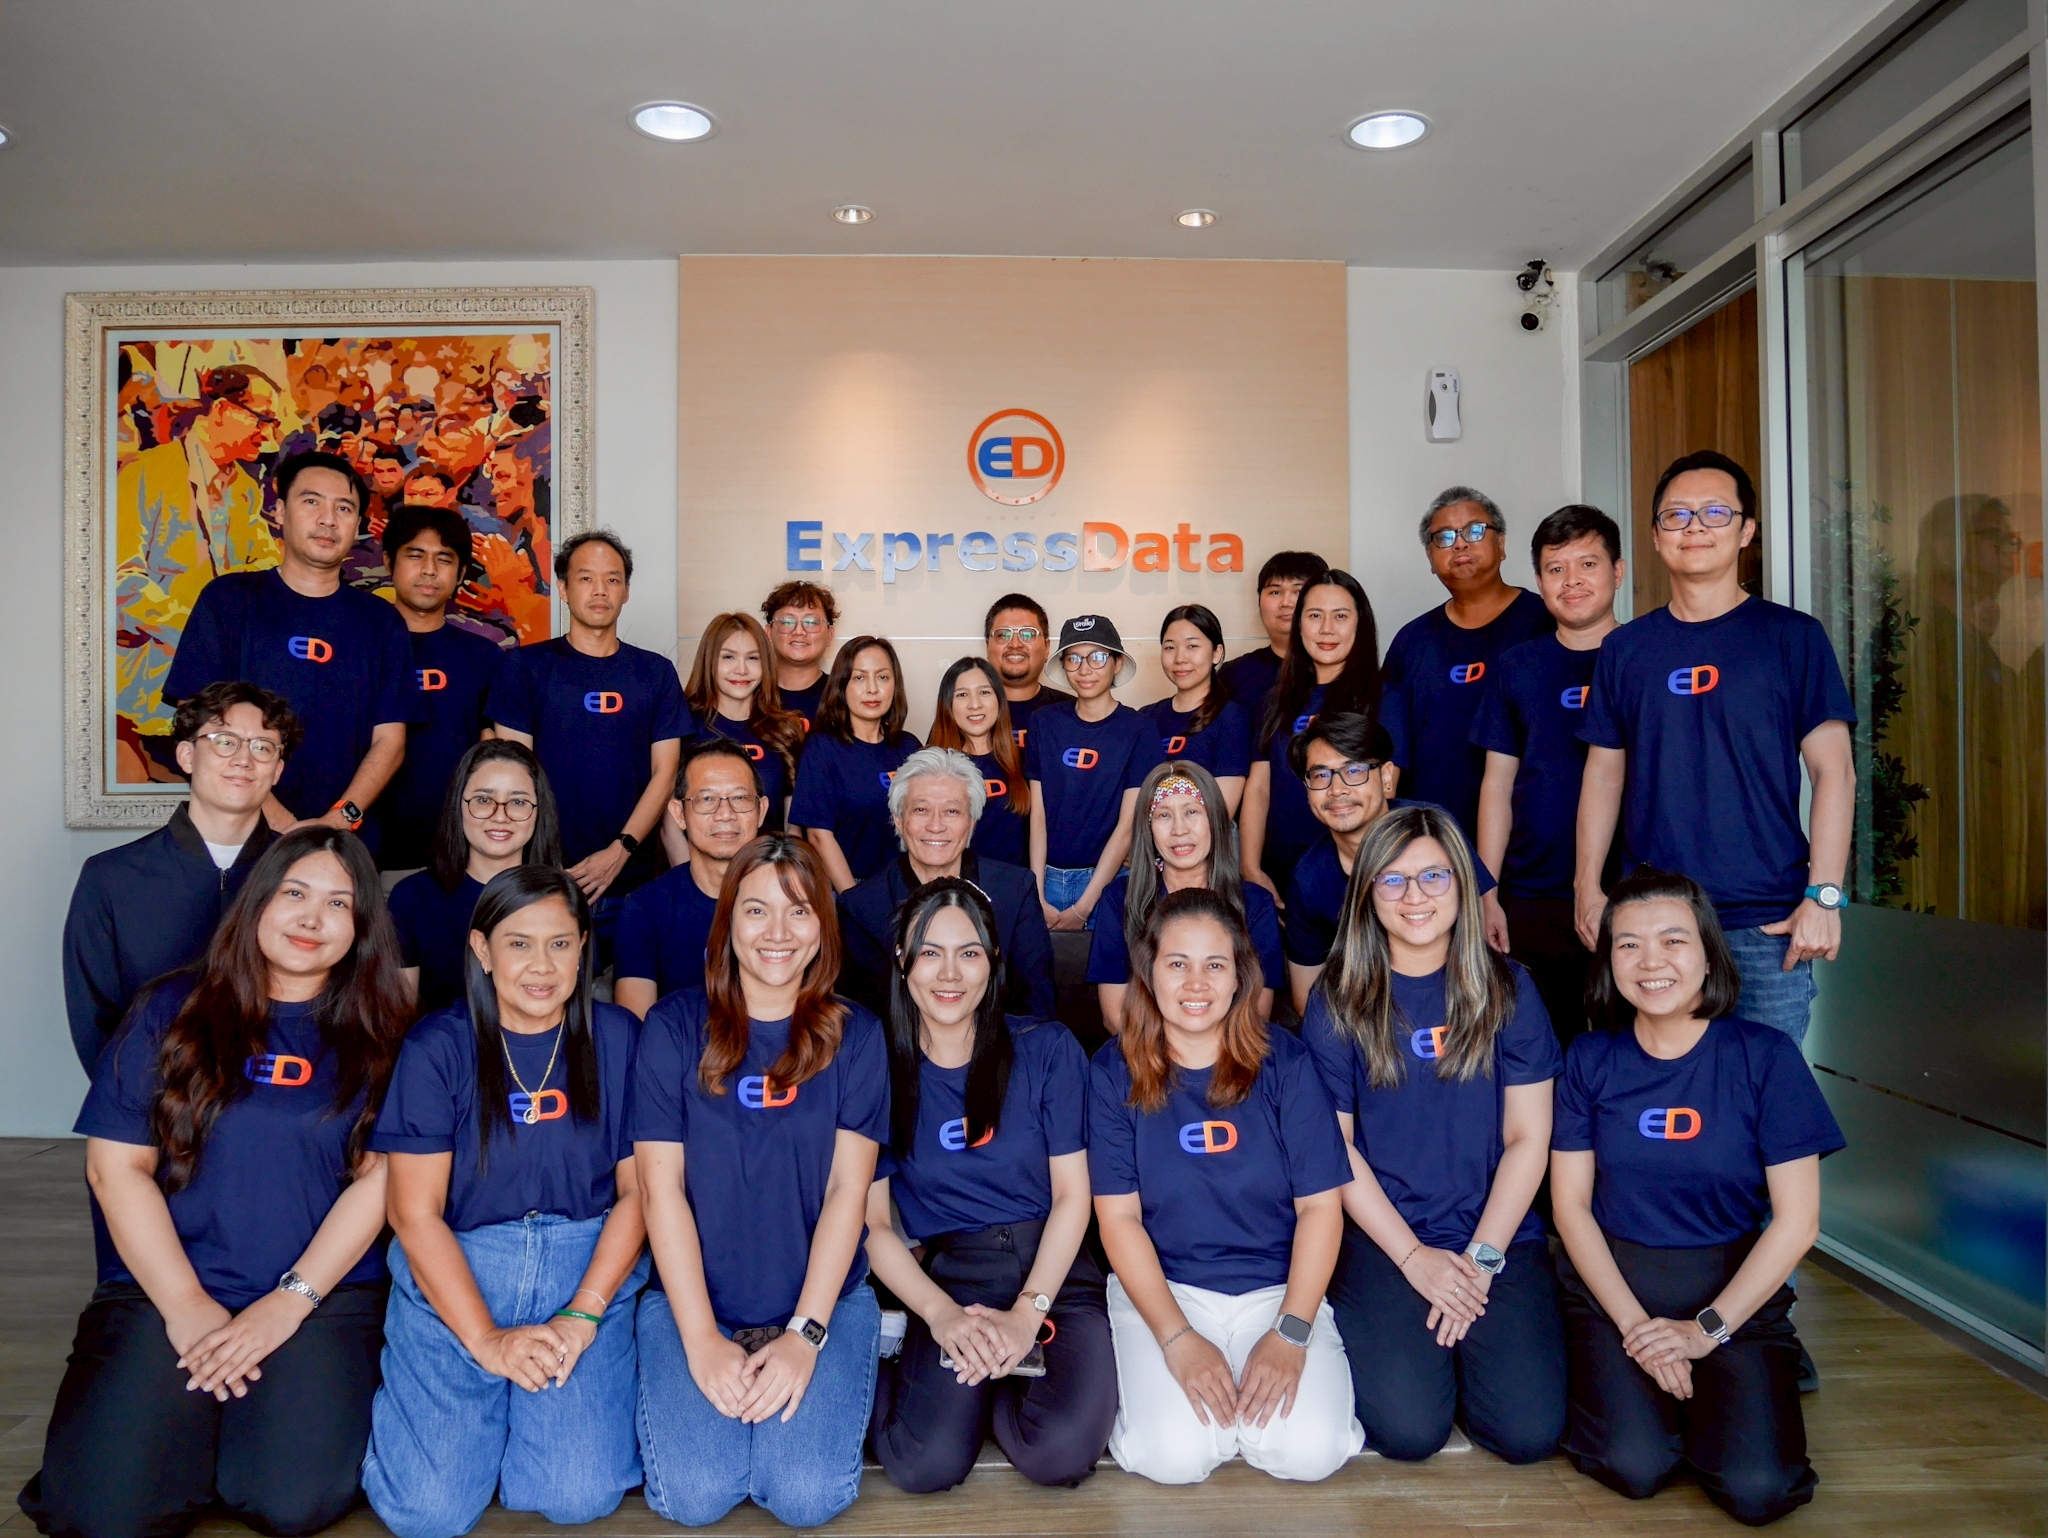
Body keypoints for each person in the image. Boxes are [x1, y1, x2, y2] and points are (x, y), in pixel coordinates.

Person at [23, 829, 411, 1538]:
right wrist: (187, 1306)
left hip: (319, 1298)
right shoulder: (168, 1009)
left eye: (338, 903)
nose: (312, 918)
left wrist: (287, 1305)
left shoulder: (384, 1030)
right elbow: (115, 1169)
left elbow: (379, 1181)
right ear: (258, 900)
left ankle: (217, 1431)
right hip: (164, 1287)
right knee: (103, 1512)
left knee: (288, 1501)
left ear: (361, 927)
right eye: (295, 893)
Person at [1551, 867, 1844, 1526]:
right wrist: (1640, 1332)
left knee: (1759, 1490)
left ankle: (1709, 1409)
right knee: (1634, 1464)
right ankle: (1665, 1411)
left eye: (1673, 940)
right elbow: (1570, 1207)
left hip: (1732, 1292)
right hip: (1616, 1289)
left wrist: (1704, 1332)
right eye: (1628, 944)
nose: (1650, 961)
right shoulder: (1589, 1059)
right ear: (1610, 961)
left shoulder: (1765, 1057)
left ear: (1710, 956)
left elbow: (1797, 1223)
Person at [362, 868, 649, 1537]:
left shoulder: (619, 1038)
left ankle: (520, 1424)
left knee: (578, 1495)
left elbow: (641, 1193)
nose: (541, 966)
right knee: (426, 1514)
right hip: (462, 1266)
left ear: (583, 948)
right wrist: (486, 1340)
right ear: (482, 950)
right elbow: (413, 1214)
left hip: (584, 1267)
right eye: (519, 944)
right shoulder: (437, 1045)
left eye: (560, 944)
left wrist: (582, 1314)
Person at [630, 835, 888, 1529]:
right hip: (695, 1305)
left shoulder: (857, 1036)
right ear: (727, 923)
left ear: (823, 928)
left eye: (799, 911)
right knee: (695, 1496)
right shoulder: (673, 1027)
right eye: (756, 910)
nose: (778, 932)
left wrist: (805, 1335)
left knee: (805, 1495)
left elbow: (848, 1194)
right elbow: (661, 1193)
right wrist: (700, 1338)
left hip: (822, 1305)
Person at [1302, 804, 1566, 1465]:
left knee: (1527, 1434)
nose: (1414, 896)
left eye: (1433, 876)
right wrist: (1415, 1258)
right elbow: (1335, 1149)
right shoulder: (1336, 998)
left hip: (1497, 1236)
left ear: (1461, 886)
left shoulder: (1510, 989)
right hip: (1387, 1238)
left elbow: (1528, 1138)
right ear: (1367, 893)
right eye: (1392, 880)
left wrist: (1480, 1261)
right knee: (1410, 1431)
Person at [1576, 451, 1856, 1043]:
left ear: (1746, 530)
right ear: (1656, 536)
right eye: (1676, 515)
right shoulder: (1626, 649)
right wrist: (1587, 887)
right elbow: (1603, 775)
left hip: (1767, 923)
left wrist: (1824, 896)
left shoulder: (1792, 638)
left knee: (1764, 1091)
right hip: (1653, 920)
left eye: (1715, 512)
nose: (1695, 527)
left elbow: (1834, 773)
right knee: (1659, 1087)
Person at [1090, 888, 1363, 1485]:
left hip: (1276, 1288)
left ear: (1240, 975)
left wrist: (1291, 1331)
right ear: (1148, 972)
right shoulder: (1113, 1070)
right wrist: (1177, 1339)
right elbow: (1118, 1220)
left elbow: (1321, 1208)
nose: (1196, 983)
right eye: (1177, 963)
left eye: (1215, 964)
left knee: (1312, 1451)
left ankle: (1247, 1412)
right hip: (1168, 1291)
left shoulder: (1286, 1063)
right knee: (1174, 1456)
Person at [865, 880, 1116, 1492]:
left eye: (969, 953)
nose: (949, 973)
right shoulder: (877, 1068)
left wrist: (1027, 1316)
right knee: (923, 1463)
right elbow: (870, 1224)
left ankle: (997, 1385)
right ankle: (900, 1360)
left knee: (1058, 1454)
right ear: (902, 959)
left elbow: (1072, 1198)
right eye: (930, 952)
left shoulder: (1046, 1049)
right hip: (954, 1279)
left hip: (1054, 1273)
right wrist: (941, 1315)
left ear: (994, 959)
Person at [162, 450, 419, 838]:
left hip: (347, 842)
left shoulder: (382, 622)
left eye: (344, 508)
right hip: (239, 837)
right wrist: (280, 822)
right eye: (311, 501)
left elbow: (390, 742)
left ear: (357, 525)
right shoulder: (228, 600)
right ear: (279, 512)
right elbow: (196, 719)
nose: (328, 519)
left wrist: (340, 819)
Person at [63, 682, 296, 1074]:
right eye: (225, 742)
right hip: (150, 1099)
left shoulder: (305, 876)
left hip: (282, 1098)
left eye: (262, 747)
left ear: (277, 770)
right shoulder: (110, 878)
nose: (243, 759)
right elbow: (96, 1025)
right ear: (187, 756)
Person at [1472, 504, 1625, 1048]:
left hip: (1631, 889)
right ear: (1539, 582)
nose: (1572, 580)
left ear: (1618, 571)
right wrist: (1487, 891)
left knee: (1633, 1051)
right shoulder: (1517, 667)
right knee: (1542, 1052)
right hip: (1531, 894)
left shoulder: (1644, 657)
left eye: (1588, 564)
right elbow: (1497, 784)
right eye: (1556, 569)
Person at [488, 531, 692, 921]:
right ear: (563, 588)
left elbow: (665, 774)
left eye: (612, 579)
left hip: (634, 882)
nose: (600, 590)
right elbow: (514, 775)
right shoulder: (525, 667)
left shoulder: (656, 673)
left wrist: (621, 850)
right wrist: (542, 860)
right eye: (586, 578)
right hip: (544, 878)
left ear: (626, 591)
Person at [1281, 714, 1499, 1015]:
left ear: (1386, 777)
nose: (1337, 789)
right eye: (1321, 775)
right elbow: (1306, 998)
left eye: (1354, 770)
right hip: (1368, 1017)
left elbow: (1483, 942)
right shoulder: (1308, 880)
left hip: (1460, 1005)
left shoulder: (1433, 831)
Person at [1380, 487, 1555, 842]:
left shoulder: (1545, 622)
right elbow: (1388, 747)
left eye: (1474, 531)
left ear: (1501, 544)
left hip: (1527, 838)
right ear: (1430, 559)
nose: (1459, 544)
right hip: (1428, 842)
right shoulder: (1410, 641)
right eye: (1444, 537)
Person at [836, 748, 1057, 1020]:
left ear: (971, 821)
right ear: (899, 820)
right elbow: (864, 1022)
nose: (936, 825)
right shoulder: (860, 908)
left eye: (952, 811)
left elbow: (1036, 1008)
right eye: (921, 810)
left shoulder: (1015, 891)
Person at [1090, 762, 1282, 1033]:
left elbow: (1257, 1015)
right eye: (1163, 815)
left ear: (1215, 819)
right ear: (1148, 828)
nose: (1179, 830)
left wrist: (1201, 1052)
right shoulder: (1119, 899)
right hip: (1144, 1053)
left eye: (1192, 812)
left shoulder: (1255, 904)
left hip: (1232, 1053)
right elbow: (1115, 1017)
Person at [388, 742, 565, 1017]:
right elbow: (399, 1017)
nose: (500, 816)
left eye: (518, 802)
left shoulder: (562, 900)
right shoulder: (411, 898)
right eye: (483, 800)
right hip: (439, 1042)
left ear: (539, 811)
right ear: (458, 804)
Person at [377, 505, 506, 872]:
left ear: (461, 572)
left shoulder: (485, 657)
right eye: (415, 555)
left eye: (444, 559)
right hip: (365, 853)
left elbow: (495, 758)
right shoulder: (361, 649)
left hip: (457, 857)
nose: (429, 570)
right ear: (388, 562)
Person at [1242, 570, 1381, 902]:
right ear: (1299, 625)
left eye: (1340, 616)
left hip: (1354, 874)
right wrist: (1251, 867)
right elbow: (1259, 787)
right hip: (1278, 872)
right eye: (1315, 616)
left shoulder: (1382, 696)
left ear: (1360, 624)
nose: (1326, 629)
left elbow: (1384, 791)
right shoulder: (1276, 700)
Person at [613, 740, 768, 1019]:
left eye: (740, 798)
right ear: (679, 814)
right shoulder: (645, 908)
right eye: (707, 799)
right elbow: (634, 1025)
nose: (725, 814)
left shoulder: (793, 901)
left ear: (761, 810)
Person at [1027, 617, 1153, 932]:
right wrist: (1036, 892)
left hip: (1110, 883)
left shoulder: (1140, 729)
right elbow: (1038, 815)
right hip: (1047, 879)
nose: (1085, 669)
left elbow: (1128, 825)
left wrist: (1084, 907)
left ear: (1117, 663)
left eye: (1097, 657)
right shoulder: (1044, 722)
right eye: (1074, 658)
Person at [788, 636, 922, 891]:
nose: (872, 689)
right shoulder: (822, 747)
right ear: (842, 685)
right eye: (859, 677)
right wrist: (854, 900)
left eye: (882, 677)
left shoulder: (909, 747)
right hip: (846, 888)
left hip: (906, 886)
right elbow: (818, 836)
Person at [683, 612, 803, 829]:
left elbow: (792, 826)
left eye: (753, 658)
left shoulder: (784, 730)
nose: (741, 670)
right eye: (728, 657)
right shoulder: (684, 727)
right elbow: (670, 819)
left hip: (770, 851)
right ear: (709, 661)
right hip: (700, 852)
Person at [1145, 605, 1253, 814]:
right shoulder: (1147, 718)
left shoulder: (1232, 718)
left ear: (1216, 653)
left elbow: (1222, 811)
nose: (1180, 658)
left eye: (1192, 646)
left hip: (1208, 832)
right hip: (1150, 831)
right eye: (1170, 647)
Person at [924, 656, 1031, 867]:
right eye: (962, 695)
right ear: (948, 704)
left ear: (999, 700)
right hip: (955, 884)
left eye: (984, 692)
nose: (975, 705)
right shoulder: (933, 767)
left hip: (1014, 882)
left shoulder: (1021, 760)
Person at [1217, 551, 1326, 715]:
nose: (1286, 603)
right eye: (1275, 592)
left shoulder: (1341, 670)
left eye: (1298, 591)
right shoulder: (1233, 673)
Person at [984, 595, 1072, 751]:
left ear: (1047, 648)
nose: (1015, 644)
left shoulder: (1072, 711)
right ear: (987, 646)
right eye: (1003, 635)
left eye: (1027, 634)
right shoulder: (966, 711)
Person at [760, 581, 838, 725]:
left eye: (811, 622)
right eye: (787, 622)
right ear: (768, 633)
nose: (799, 631)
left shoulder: (843, 695)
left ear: (830, 634)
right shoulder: (750, 694)